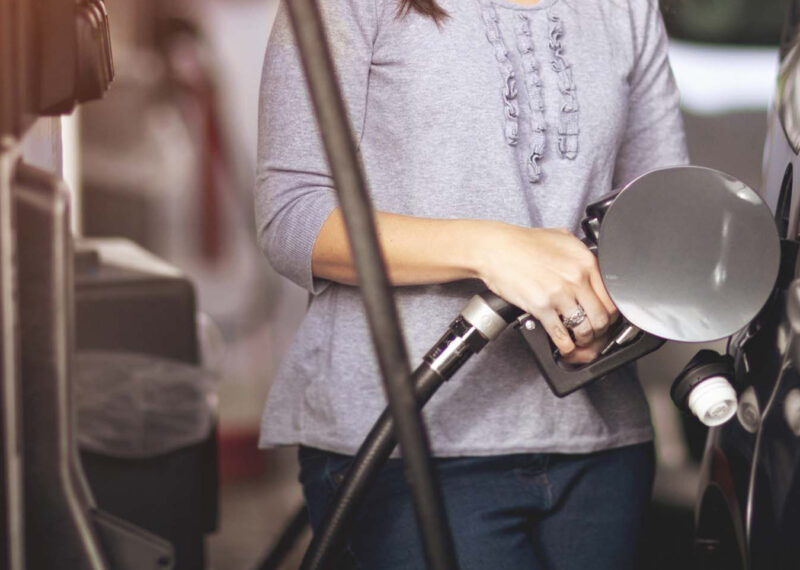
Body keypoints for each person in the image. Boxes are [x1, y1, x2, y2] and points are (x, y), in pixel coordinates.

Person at [255, 0, 687, 567]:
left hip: (601, 446)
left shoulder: (624, 7)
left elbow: (661, 217)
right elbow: (292, 218)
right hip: (408, 445)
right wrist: (489, 249)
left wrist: (612, 315)